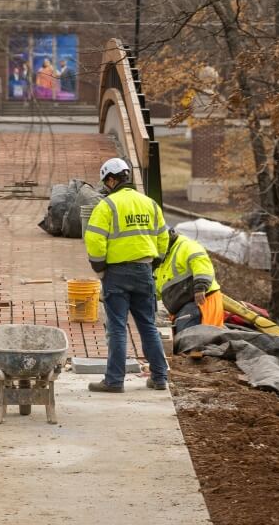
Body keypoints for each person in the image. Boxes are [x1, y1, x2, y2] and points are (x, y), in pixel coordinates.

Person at [83, 157, 170, 392]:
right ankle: (160, 378)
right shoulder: (149, 204)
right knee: (148, 325)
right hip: (144, 271)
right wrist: (154, 263)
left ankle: (114, 381)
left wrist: (100, 269)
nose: (105, 186)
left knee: (118, 327)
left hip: (117, 273)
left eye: (106, 182)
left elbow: (94, 240)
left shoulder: (107, 206)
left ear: (112, 179)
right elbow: (163, 237)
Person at [154, 228, 224, 337]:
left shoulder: (186, 245)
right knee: (180, 338)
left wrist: (200, 287)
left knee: (187, 339)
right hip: (183, 306)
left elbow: (201, 263)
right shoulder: (162, 260)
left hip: (201, 302)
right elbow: (157, 289)